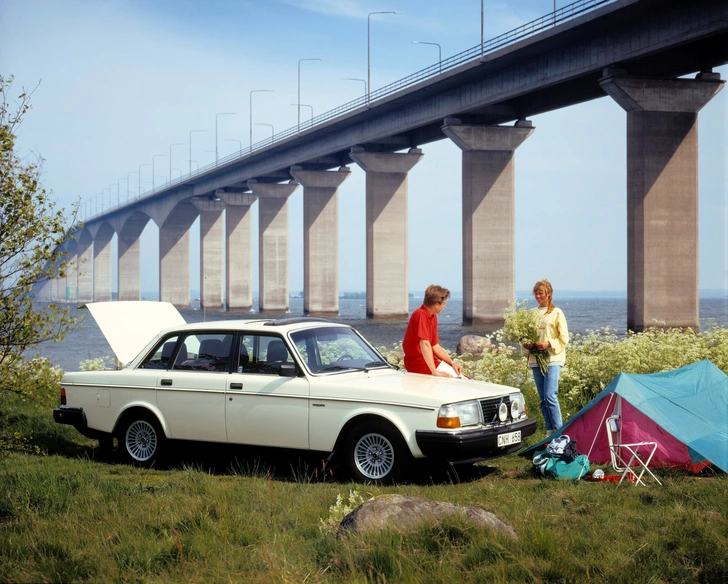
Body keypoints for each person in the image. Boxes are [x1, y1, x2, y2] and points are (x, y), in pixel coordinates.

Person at [522, 279, 568, 435]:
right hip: (536, 360)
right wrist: (527, 345)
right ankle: (549, 431)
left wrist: (548, 344)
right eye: (536, 293)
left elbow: (564, 338)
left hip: (553, 359)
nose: (537, 296)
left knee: (550, 395)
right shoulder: (531, 314)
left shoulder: (557, 313)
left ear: (549, 294)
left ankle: (560, 432)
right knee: (542, 398)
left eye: (540, 292)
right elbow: (524, 336)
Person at [403, 285, 463, 377]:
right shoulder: (420, 314)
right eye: (444, 304)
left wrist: (452, 363)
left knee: (462, 377)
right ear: (436, 304)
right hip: (417, 363)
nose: (445, 306)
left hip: (427, 361)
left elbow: (434, 345)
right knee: (456, 379)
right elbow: (425, 343)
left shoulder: (432, 316)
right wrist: (434, 372)